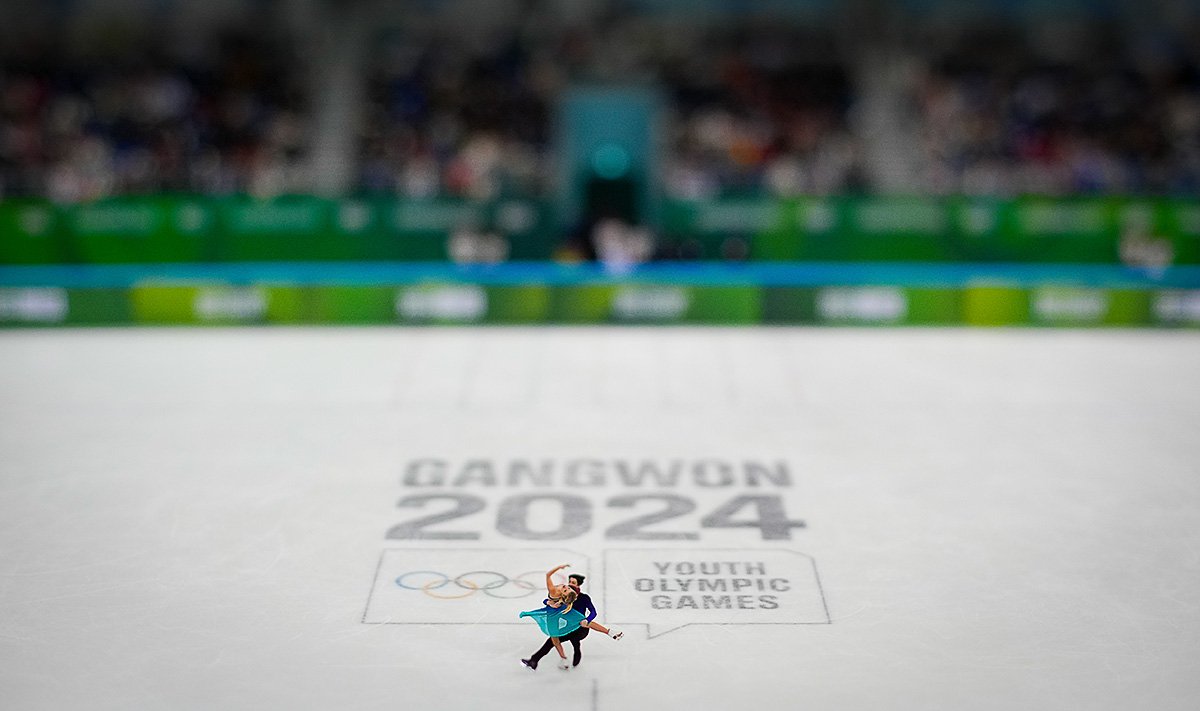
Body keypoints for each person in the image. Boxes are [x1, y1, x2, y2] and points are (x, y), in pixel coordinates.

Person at [521, 565, 622, 671]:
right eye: (569, 582)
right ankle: (541, 660)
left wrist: (586, 620)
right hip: (568, 625)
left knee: (573, 639)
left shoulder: (582, 598)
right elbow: (549, 599)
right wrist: (549, 602)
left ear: (578, 586)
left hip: (580, 628)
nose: (569, 584)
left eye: (572, 583)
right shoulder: (562, 596)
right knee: (554, 640)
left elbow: (593, 612)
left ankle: (607, 634)